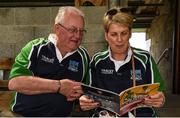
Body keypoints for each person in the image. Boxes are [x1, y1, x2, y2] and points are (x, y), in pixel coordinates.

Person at [79, 7, 166, 117]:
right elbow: (88, 94)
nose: (119, 40)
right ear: (106, 36)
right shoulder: (97, 61)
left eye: (123, 33)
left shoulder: (145, 59)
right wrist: (84, 101)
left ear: (130, 34)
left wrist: (160, 99)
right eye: (114, 34)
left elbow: (159, 93)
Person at [8, 6, 90, 117]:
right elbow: (15, 83)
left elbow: (88, 90)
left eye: (81, 31)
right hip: (23, 115)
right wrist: (59, 86)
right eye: (73, 30)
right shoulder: (36, 48)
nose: (78, 35)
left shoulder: (83, 56)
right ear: (57, 28)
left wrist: (83, 96)